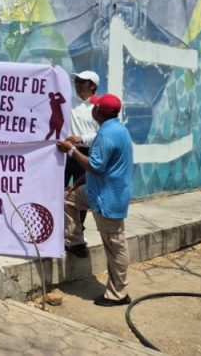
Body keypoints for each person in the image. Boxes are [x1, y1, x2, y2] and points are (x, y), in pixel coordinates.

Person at [56, 94, 134, 307]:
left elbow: (96, 166)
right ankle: (75, 242)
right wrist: (78, 182)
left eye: (94, 106)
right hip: (96, 190)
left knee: (115, 244)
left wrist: (71, 150)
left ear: (98, 111)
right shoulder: (117, 129)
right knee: (68, 199)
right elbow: (102, 165)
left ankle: (118, 294)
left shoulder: (107, 135)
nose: (91, 108)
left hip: (109, 197)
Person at [63, 70, 100, 258]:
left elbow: (102, 132)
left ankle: (77, 236)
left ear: (92, 85)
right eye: (76, 81)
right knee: (59, 191)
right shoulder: (70, 101)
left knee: (78, 196)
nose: (77, 84)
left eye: (81, 81)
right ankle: (60, 231)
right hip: (64, 152)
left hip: (84, 153)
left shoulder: (99, 107)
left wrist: (82, 138)